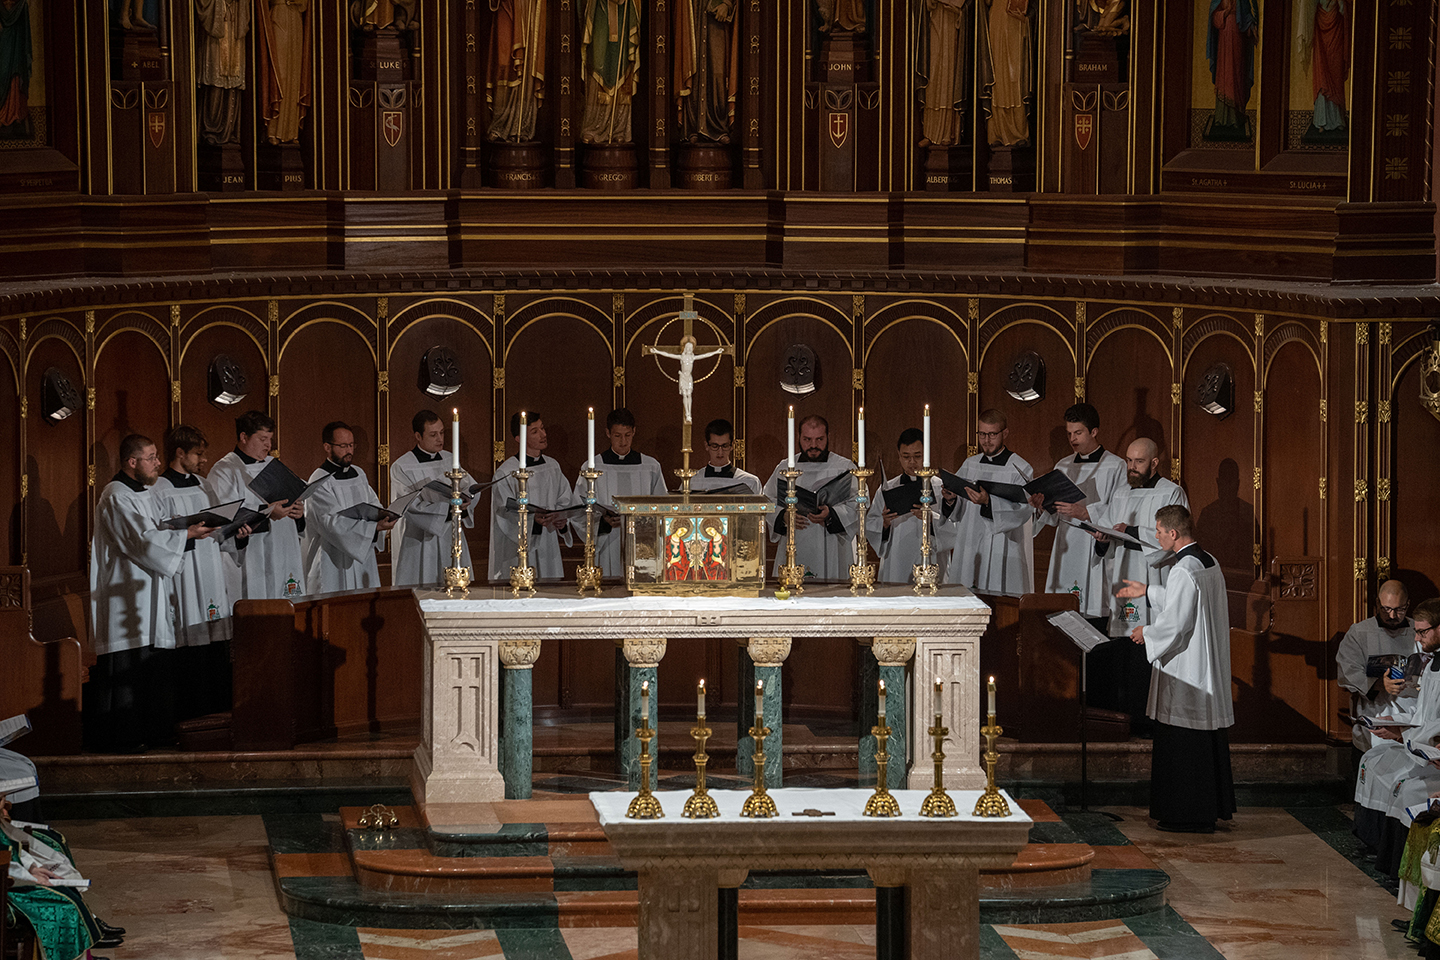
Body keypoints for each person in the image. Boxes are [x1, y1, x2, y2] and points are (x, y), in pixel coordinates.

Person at [88, 434, 216, 752]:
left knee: (153, 665)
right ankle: (123, 738)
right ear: (132, 462)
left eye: (157, 456)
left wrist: (181, 529)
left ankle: (154, 730)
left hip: (150, 590)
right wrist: (186, 534)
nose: (158, 463)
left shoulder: (144, 492)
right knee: (129, 664)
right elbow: (142, 541)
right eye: (151, 457)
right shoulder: (116, 496)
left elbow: (158, 530)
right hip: (126, 593)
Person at [1115, 503, 1234, 833]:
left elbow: (1177, 623)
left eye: (1158, 531)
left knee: (1183, 742)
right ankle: (1208, 809)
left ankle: (1185, 814)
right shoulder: (1207, 561)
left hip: (1188, 668)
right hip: (1207, 664)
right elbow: (1186, 600)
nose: (1156, 537)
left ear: (1173, 532)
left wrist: (1147, 633)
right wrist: (1148, 590)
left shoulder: (1183, 569)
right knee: (1203, 742)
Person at [1092, 438, 1189, 727]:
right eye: (1128, 461)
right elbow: (1109, 531)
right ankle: (1124, 720)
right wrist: (1103, 539)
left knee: (1147, 652)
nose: (1131, 467)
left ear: (1155, 463)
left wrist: (1132, 531)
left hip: (1154, 579)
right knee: (1124, 651)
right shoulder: (1121, 493)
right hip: (1124, 579)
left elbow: (1175, 539)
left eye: (1139, 462)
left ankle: (1149, 722)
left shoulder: (1171, 492)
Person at [152, 425, 234, 721]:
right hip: (184, 573)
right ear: (180, 453)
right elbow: (156, 537)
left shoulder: (204, 485)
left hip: (211, 568)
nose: (203, 459)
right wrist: (185, 534)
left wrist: (236, 530)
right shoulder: (159, 490)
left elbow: (220, 527)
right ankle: (191, 716)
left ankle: (219, 711)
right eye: (198, 454)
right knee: (190, 644)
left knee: (215, 641)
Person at [1030, 402, 1127, 623]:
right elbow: (1054, 516)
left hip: (1095, 544)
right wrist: (1043, 506)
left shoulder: (1115, 466)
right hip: (1066, 546)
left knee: (1092, 616)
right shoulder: (1063, 466)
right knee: (1063, 615)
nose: (1072, 439)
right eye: (1069, 433)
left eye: (1078, 432)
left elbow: (1121, 510)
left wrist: (1087, 513)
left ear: (1094, 432)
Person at [209, 410, 308, 602]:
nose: (268, 445)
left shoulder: (273, 465)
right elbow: (225, 516)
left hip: (283, 551)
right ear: (244, 437)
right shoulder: (224, 470)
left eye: (270, 439)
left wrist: (298, 514)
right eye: (263, 439)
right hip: (252, 556)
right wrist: (267, 513)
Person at [942, 409, 1034, 596]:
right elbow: (959, 508)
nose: (986, 440)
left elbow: (1024, 510)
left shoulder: (1020, 467)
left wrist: (988, 502)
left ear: (1005, 433)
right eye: (982, 434)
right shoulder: (970, 464)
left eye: (992, 434)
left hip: (1003, 544)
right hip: (970, 542)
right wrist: (951, 499)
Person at [389, 409, 481, 588]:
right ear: (418, 436)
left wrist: (466, 501)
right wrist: (447, 509)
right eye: (433, 435)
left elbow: (470, 487)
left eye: (442, 433)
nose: (440, 439)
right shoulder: (402, 466)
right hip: (420, 540)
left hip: (452, 535)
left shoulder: (450, 459)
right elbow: (409, 506)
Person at [571, 408, 667, 577]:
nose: (623, 441)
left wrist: (636, 520)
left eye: (627, 435)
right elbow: (578, 509)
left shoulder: (650, 466)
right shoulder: (592, 467)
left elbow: (662, 506)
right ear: (608, 433)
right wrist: (603, 522)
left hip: (640, 541)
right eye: (617, 436)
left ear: (634, 431)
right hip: (608, 540)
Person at [303, 421, 396, 592]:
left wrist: (383, 516)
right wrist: (373, 527)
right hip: (332, 560)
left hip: (362, 559)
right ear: (327, 447)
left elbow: (373, 503)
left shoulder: (359, 473)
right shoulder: (319, 479)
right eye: (343, 446)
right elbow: (330, 523)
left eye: (352, 445)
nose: (350, 451)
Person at [763, 414, 857, 580]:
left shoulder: (844, 467)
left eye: (819, 439)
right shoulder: (785, 467)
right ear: (799, 437)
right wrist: (783, 516)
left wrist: (832, 514)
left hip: (831, 544)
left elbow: (858, 502)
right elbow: (767, 500)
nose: (813, 445)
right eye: (807, 439)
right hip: (795, 540)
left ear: (828, 436)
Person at [490, 411, 578, 580]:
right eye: (535, 431)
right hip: (519, 548)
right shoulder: (506, 472)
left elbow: (565, 499)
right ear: (519, 438)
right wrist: (532, 520)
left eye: (542, 428)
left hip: (549, 544)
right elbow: (503, 512)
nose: (543, 434)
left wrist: (561, 520)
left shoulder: (552, 466)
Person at [1336, 581, 1416, 765]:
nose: (1392, 615)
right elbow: (1347, 671)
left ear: (1408, 604)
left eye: (1399, 609)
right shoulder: (1359, 632)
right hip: (1375, 711)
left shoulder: (1418, 630)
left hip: (1411, 715)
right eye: (1386, 609)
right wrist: (1380, 684)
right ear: (1377, 604)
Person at [865, 428, 945, 584]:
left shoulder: (940, 487)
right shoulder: (887, 488)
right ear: (899, 456)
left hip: (931, 559)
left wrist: (931, 519)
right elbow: (871, 525)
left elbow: (953, 527)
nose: (912, 462)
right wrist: (884, 523)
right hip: (897, 560)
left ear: (926, 454)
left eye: (917, 456)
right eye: (906, 457)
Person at [674, 0, 739, 143]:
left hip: (716, 16)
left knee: (718, 72)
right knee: (692, 67)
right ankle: (692, 128)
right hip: (694, 10)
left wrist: (727, 4)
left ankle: (719, 127)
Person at [579, 0, 641, 144]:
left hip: (624, 13)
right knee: (597, 63)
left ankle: (619, 129)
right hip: (599, 11)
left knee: (623, 67)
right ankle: (593, 127)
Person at [486, 0, 547, 142]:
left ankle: (522, 126)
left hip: (529, 8)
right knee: (504, 62)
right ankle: (500, 123)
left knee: (528, 62)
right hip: (507, 5)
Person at [916, 0, 971, 147]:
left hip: (952, 24)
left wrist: (958, 12)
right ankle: (930, 132)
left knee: (949, 76)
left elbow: (969, 7)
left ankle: (949, 132)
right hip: (935, 21)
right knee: (934, 75)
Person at [979, 0, 1034, 146]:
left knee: (1015, 78)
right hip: (997, 19)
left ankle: (1019, 132)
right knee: (998, 76)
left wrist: (1025, 18)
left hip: (1015, 22)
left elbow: (1034, 9)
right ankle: (996, 132)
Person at [195, 0, 250, 144]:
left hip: (235, 23)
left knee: (234, 79)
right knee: (215, 80)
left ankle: (229, 129)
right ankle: (211, 129)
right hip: (217, 22)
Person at [257, 0, 311, 144]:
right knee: (280, 72)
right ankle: (273, 130)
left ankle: (291, 132)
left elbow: (305, 4)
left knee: (294, 75)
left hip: (295, 17)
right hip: (279, 15)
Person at [1296, 0, 1348, 135]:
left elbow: (1345, 12)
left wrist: (1341, 3)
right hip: (1320, 37)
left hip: (1336, 37)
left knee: (1336, 77)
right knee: (1321, 76)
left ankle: (1338, 120)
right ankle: (1321, 121)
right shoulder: (1317, 5)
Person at [689, 418, 762, 494]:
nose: (720, 452)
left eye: (725, 446)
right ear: (706, 446)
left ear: (732, 446)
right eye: (715, 446)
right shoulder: (692, 481)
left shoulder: (750, 482)